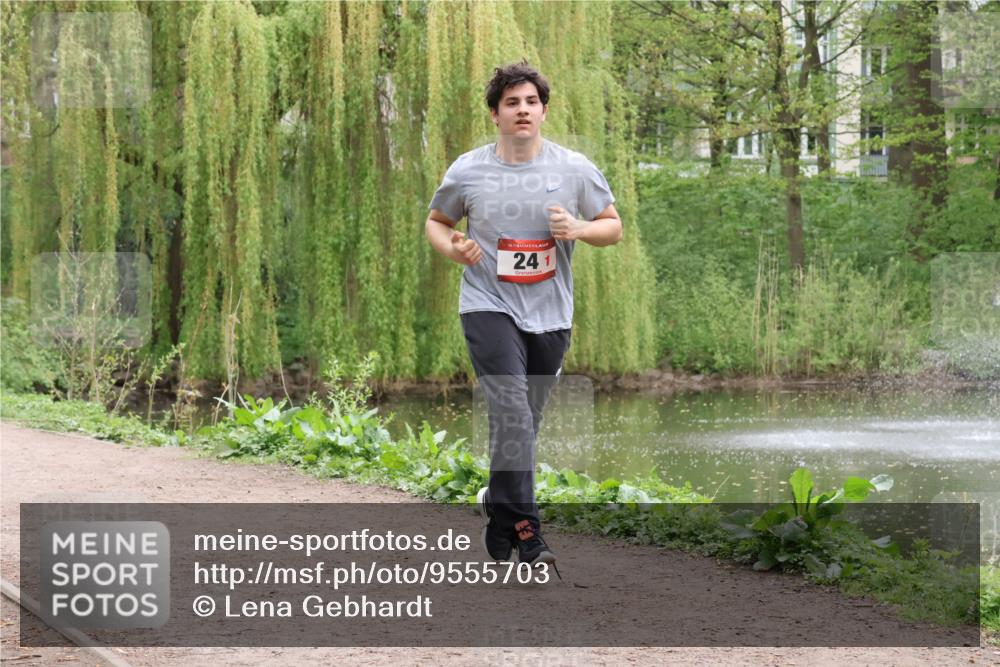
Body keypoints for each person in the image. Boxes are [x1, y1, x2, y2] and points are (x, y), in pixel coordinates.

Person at [425, 61, 622, 570]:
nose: (522, 110)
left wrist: (578, 228)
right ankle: (529, 533)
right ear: (495, 114)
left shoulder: (573, 168)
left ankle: (498, 507)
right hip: (488, 304)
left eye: (531, 101)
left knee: (523, 424)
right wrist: (455, 249)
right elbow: (437, 221)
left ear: (544, 110)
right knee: (511, 410)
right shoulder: (468, 170)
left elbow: (612, 227)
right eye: (511, 102)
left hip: (551, 313)